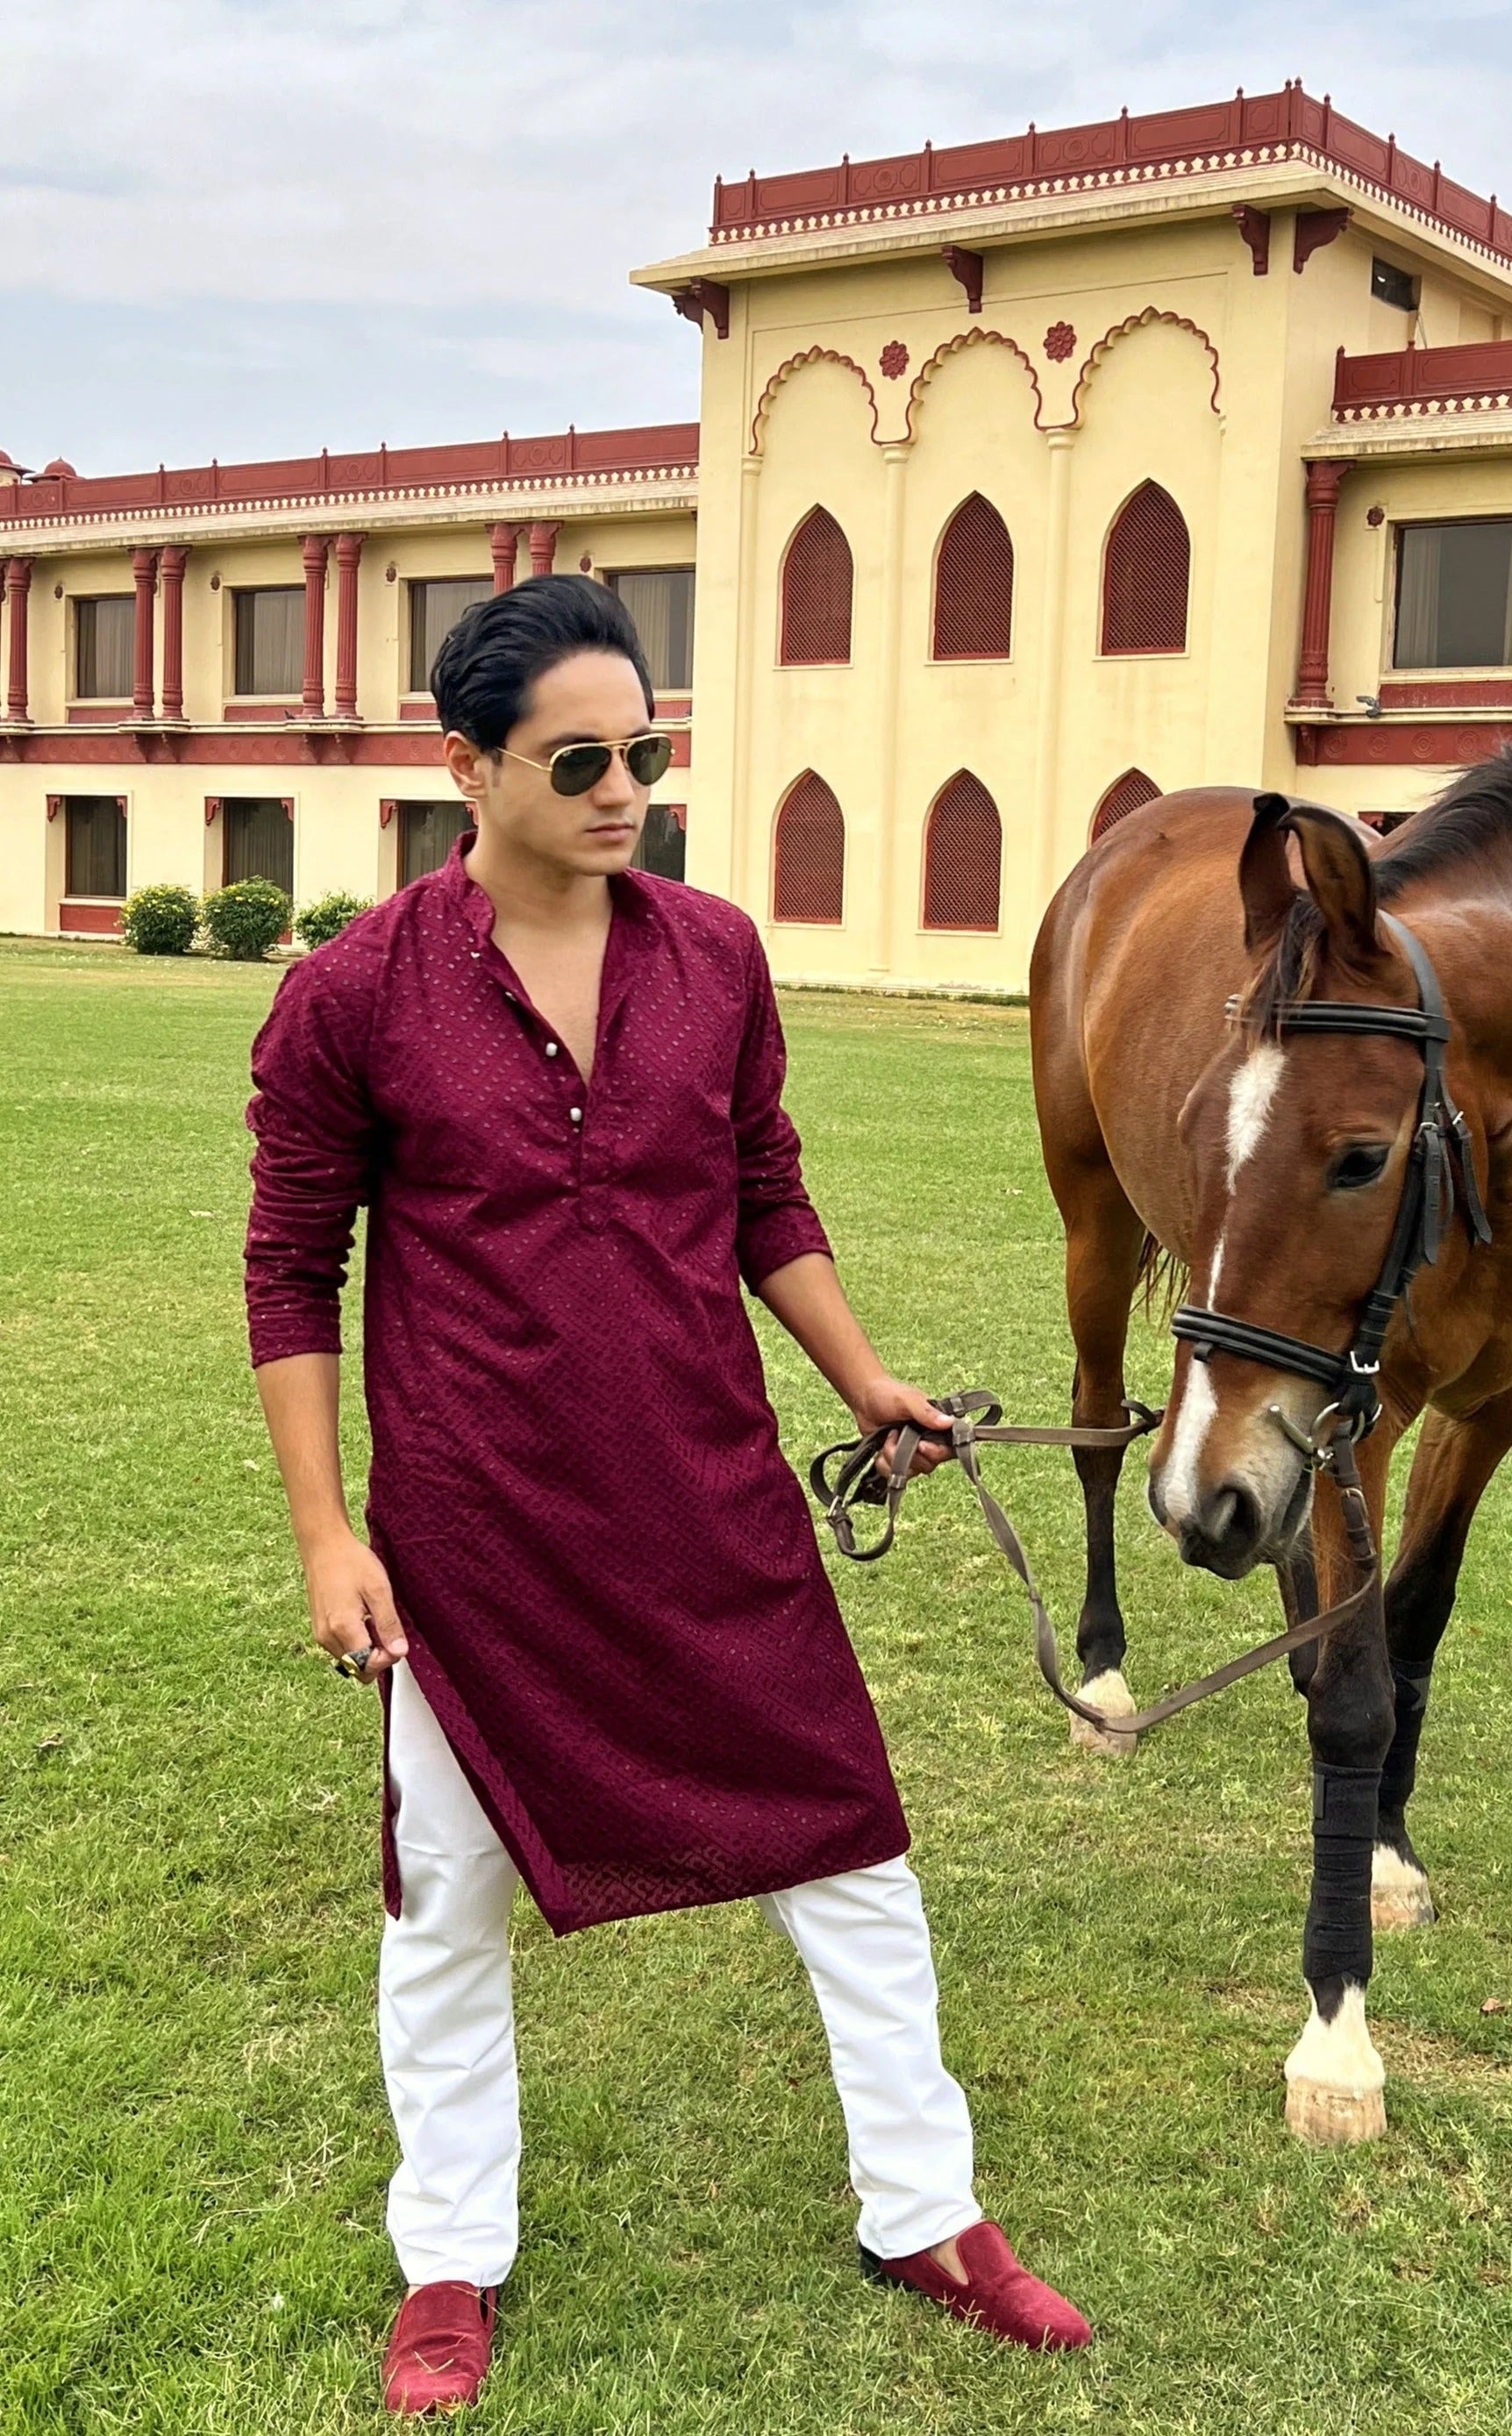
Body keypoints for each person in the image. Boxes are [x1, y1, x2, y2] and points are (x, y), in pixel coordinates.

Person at [243, 575, 1091, 2415]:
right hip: (476, 1536)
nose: (627, 787)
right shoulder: (352, 996)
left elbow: (761, 1188)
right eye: (580, 758)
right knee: (450, 1899)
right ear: (464, 767)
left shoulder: (712, 954)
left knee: (852, 1855)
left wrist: (861, 1376)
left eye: (649, 749)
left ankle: (923, 2213)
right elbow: (289, 1271)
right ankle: (448, 2257)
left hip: (710, 1506)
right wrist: (330, 1531)